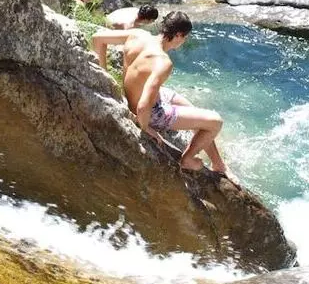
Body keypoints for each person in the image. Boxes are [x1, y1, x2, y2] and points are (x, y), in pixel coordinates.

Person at [91, 11, 226, 173]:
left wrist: (104, 76)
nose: (185, 41)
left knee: (194, 111)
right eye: (185, 37)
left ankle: (219, 164)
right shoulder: (163, 62)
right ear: (178, 35)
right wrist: (146, 128)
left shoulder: (138, 34)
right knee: (215, 122)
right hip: (152, 112)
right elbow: (143, 106)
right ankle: (187, 159)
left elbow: (98, 38)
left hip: (137, 96)